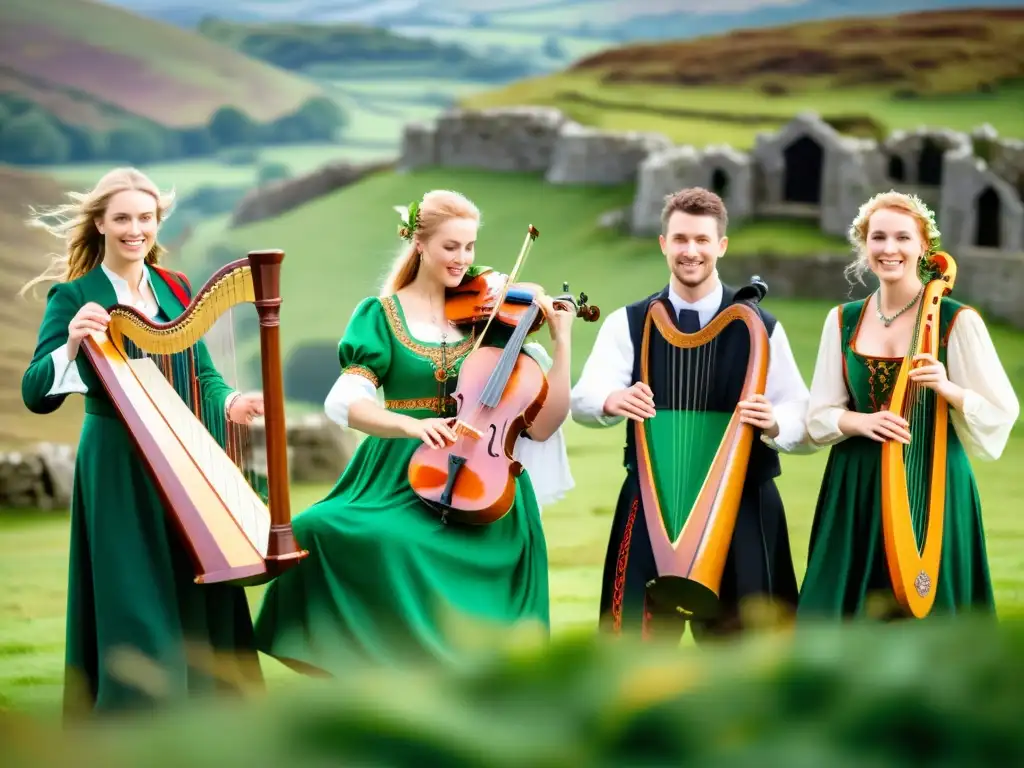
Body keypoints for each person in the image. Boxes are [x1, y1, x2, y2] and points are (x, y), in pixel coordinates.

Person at [253, 189, 576, 672]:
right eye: (451, 247)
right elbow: (345, 402)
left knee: (409, 549)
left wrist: (563, 340)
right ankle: (364, 670)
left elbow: (545, 424)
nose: (464, 260)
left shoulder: (495, 316)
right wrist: (410, 424)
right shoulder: (381, 315)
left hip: (484, 479)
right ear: (419, 244)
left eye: (470, 247)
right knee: (315, 528)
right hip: (394, 472)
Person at [19, 167, 266, 719]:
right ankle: (137, 713)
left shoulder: (176, 288)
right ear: (102, 225)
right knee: (129, 589)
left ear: (158, 224)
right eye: (123, 218)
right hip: (116, 462)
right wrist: (71, 346)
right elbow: (35, 392)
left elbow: (202, 372)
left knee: (200, 575)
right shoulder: (75, 296)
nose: (136, 229)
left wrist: (230, 402)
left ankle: (211, 711)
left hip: (182, 457)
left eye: (146, 218)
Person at [569, 187, 815, 643]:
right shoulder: (629, 321)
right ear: (663, 243)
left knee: (749, 652)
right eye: (680, 239)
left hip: (743, 500)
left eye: (702, 240)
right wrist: (611, 401)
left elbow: (803, 416)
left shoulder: (763, 327)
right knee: (631, 649)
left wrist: (776, 421)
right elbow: (583, 397)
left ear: (721, 245)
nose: (691, 251)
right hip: (650, 496)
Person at [798, 190, 1019, 620]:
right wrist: (861, 422)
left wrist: (948, 389)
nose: (889, 248)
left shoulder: (957, 320)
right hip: (856, 483)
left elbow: (1001, 409)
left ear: (924, 247)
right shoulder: (841, 320)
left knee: (933, 605)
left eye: (903, 237)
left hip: (936, 479)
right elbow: (819, 415)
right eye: (878, 237)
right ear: (865, 246)